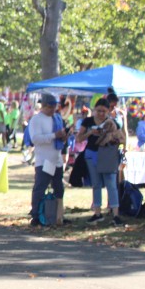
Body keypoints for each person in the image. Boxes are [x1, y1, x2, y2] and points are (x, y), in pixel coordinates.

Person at [76, 98, 125, 225]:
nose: (101, 114)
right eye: (98, 111)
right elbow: (79, 139)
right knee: (96, 184)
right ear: (94, 110)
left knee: (111, 184)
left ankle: (116, 214)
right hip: (91, 154)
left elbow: (121, 139)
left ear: (108, 111)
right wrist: (90, 132)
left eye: (104, 111)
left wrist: (111, 137)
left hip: (107, 155)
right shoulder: (87, 121)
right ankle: (97, 213)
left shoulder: (112, 123)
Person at [28, 93, 69, 227]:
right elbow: (35, 139)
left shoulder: (57, 118)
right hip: (44, 160)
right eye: (49, 107)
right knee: (40, 187)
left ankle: (58, 215)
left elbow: (60, 137)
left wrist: (63, 137)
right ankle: (36, 215)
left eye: (54, 107)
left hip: (56, 158)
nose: (52, 110)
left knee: (59, 188)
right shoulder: (36, 120)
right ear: (43, 106)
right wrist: (54, 135)